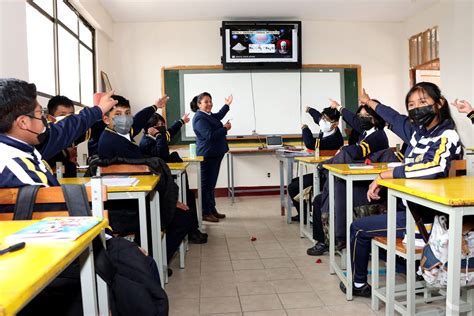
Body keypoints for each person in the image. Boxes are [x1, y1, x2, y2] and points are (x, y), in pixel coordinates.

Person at [341, 82, 462, 297]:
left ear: (440, 103)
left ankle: (358, 285)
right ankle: (413, 271)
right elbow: (394, 118)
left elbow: (433, 166)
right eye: (412, 105)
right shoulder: (420, 133)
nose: (417, 109)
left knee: (358, 229)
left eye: (423, 103)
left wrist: (383, 175)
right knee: (372, 216)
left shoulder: (447, 135)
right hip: (413, 210)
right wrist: (370, 103)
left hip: (429, 221)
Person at [306, 98, 389, 256]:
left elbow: (355, 152)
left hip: (367, 184)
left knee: (326, 198)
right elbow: (354, 122)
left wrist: (343, 151)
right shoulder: (365, 132)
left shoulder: (377, 136)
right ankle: (324, 240)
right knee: (319, 200)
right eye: (360, 116)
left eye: (366, 116)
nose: (361, 120)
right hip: (357, 179)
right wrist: (339, 108)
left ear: (376, 118)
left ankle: (333, 239)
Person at [0, 78, 117, 188]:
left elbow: (66, 128)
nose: (44, 119)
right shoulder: (16, 167)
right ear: (23, 122)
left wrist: (99, 109)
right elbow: (48, 205)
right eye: (40, 113)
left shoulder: (27, 145)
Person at [139, 112, 208, 244]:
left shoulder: (158, 137)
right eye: (158, 125)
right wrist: (159, 136)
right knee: (187, 196)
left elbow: (170, 131)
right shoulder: (146, 142)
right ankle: (192, 230)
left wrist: (181, 121)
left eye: (162, 125)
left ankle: (194, 229)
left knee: (190, 195)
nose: (162, 128)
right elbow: (162, 153)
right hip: (159, 184)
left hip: (168, 178)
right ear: (149, 128)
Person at [288, 106, 344, 222]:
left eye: (326, 120)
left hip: (327, 176)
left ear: (335, 124)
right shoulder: (327, 128)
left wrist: (305, 129)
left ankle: (304, 217)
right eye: (323, 118)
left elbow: (310, 143)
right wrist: (309, 110)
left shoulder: (335, 139)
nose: (323, 121)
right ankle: (303, 213)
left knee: (293, 187)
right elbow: (317, 117)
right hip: (321, 171)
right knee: (295, 182)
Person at [191, 92, 233, 222]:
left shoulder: (207, 115)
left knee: (211, 184)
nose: (209, 104)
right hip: (207, 155)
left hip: (215, 154)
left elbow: (219, 115)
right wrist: (225, 128)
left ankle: (212, 209)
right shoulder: (199, 118)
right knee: (205, 185)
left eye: (210, 101)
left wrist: (226, 105)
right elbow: (209, 135)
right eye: (206, 102)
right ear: (199, 104)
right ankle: (205, 212)